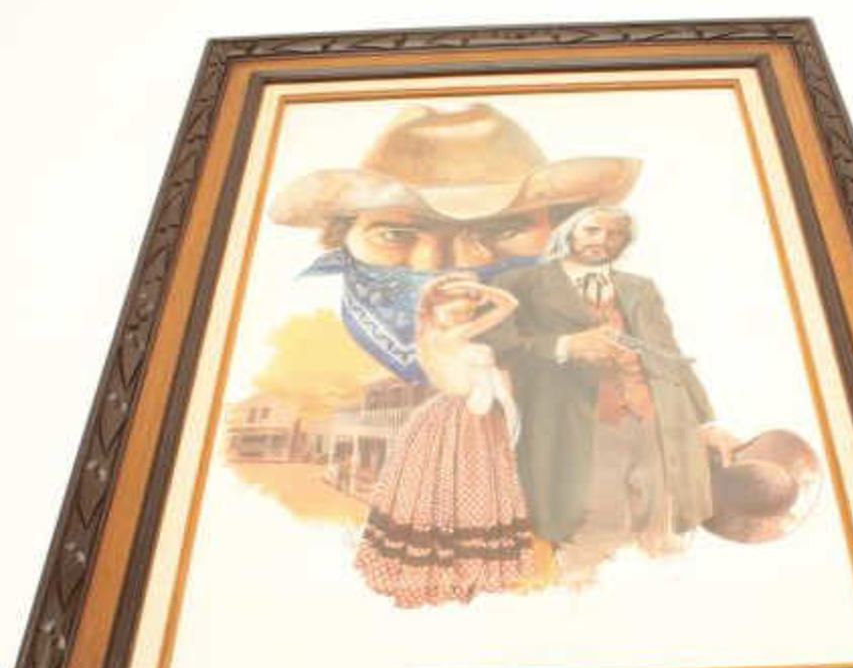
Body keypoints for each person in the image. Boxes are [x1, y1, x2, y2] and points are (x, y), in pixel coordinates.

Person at [268, 103, 640, 382]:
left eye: (501, 231)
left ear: (559, 230)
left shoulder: (605, 326)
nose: (448, 266)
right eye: (395, 235)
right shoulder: (305, 360)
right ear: (342, 237)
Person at [488, 206, 740, 582]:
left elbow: (669, 354)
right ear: (569, 233)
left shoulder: (640, 288)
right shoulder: (521, 283)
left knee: (660, 526)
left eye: (614, 234)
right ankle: (581, 593)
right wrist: (564, 346)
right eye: (591, 230)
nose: (602, 240)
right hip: (574, 424)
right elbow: (495, 344)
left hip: (654, 422)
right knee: (590, 526)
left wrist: (706, 423)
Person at [354, 274, 533, 608]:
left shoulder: (436, 334)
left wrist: (473, 291)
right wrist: (478, 292)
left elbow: (508, 306)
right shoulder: (443, 337)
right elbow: (509, 305)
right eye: (454, 313)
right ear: (432, 310)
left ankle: (463, 566)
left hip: (467, 415)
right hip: (456, 417)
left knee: (471, 485)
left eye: (467, 314)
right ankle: (452, 568)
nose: (462, 319)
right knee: (449, 486)